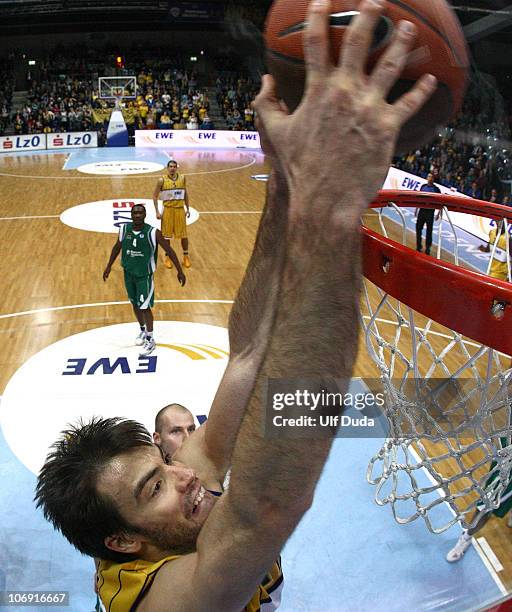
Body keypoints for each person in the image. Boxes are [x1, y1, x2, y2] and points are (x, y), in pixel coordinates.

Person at [36, 2, 436, 610]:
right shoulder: (159, 600)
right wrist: (329, 212)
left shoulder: (177, 485)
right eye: (155, 488)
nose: (186, 473)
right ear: (120, 543)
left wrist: (285, 177)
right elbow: (266, 508)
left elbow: (248, 354)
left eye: (163, 463)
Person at [103, 204, 186, 356]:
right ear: (131, 215)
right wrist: (108, 266)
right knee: (134, 304)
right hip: (128, 273)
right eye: (135, 213)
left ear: (145, 215)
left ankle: (151, 338)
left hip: (144, 276)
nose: (137, 215)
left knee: (144, 307)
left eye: (140, 213)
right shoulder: (124, 230)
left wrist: (179, 271)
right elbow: (117, 248)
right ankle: (142, 330)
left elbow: (170, 250)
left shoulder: (153, 232)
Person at [153, 159, 192, 270]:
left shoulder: (183, 178)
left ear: (176, 168)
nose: (172, 168)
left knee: (184, 235)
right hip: (168, 210)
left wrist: (187, 208)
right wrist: (157, 211)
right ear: (167, 168)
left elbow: (185, 194)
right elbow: (154, 196)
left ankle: (186, 256)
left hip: (180, 209)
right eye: (170, 166)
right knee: (166, 236)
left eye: (174, 166)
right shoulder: (161, 180)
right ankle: (168, 257)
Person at [416, 172, 441, 255]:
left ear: (433, 179)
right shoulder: (423, 187)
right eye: (428, 176)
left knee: (429, 231)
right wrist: (416, 209)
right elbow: (419, 199)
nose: (429, 178)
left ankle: (428, 248)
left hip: (430, 212)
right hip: (422, 211)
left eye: (431, 177)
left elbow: (441, 202)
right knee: (418, 229)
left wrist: (438, 214)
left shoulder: (436, 189)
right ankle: (418, 246)